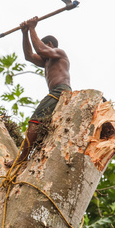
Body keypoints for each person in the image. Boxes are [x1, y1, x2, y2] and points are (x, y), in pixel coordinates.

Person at [8, 16, 72, 166]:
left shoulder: (59, 53)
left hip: (60, 92)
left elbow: (40, 49)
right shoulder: (47, 61)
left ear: (50, 44)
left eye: (44, 46)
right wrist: (25, 33)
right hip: (58, 93)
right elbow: (29, 56)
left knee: (34, 122)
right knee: (47, 127)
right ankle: (33, 156)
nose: (42, 53)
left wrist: (32, 28)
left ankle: (22, 158)